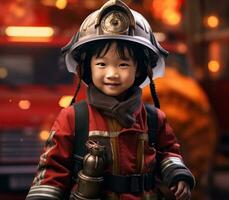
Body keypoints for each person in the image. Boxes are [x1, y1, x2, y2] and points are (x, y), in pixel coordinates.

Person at [26, 0, 195, 200]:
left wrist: (177, 175)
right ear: (87, 68)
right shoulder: (73, 118)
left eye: (123, 64)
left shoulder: (153, 119)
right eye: (102, 64)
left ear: (140, 69)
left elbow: (168, 152)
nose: (112, 73)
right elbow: (53, 169)